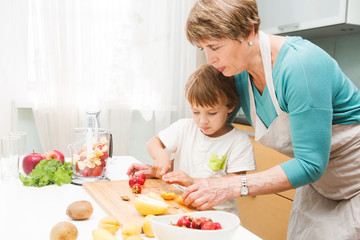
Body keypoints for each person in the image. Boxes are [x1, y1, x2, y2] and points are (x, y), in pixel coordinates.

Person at [180, 0, 360, 239]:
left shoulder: (299, 65)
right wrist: (161, 161)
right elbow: (211, 128)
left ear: (248, 31)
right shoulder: (237, 72)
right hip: (320, 184)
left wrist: (232, 185)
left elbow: (311, 164)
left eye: (215, 46)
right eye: (204, 48)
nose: (209, 58)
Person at [127, 64, 256, 215]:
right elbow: (154, 143)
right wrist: (163, 159)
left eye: (212, 113)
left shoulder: (239, 142)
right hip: (181, 208)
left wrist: (192, 181)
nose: (202, 121)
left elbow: (234, 184)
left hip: (218, 215)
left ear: (230, 106)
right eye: (196, 112)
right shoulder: (185, 127)